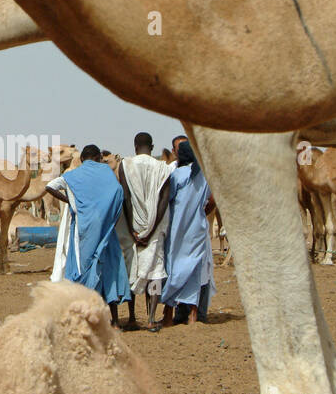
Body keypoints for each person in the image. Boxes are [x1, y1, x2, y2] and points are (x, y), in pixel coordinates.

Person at [46, 143, 130, 321]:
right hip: (106, 229)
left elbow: (50, 186)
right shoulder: (106, 172)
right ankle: (114, 321)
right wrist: (110, 215)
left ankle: (86, 317)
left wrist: (70, 201)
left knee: (83, 268)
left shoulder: (72, 175)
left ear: (82, 159)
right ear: (99, 158)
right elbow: (118, 192)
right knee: (109, 268)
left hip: (83, 230)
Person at [116, 132, 171, 331]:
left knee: (132, 268)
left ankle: (131, 317)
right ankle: (151, 318)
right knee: (155, 270)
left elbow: (126, 197)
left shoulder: (125, 165)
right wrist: (151, 230)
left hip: (132, 229)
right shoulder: (163, 168)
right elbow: (164, 200)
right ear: (153, 146)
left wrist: (132, 229)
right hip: (154, 228)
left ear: (135, 146)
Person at [162, 139, 217, 325]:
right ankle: (193, 316)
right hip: (197, 229)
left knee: (174, 268)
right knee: (194, 269)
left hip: (179, 228)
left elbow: (168, 200)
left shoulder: (177, 175)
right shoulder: (203, 176)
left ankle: (168, 314)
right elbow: (209, 200)